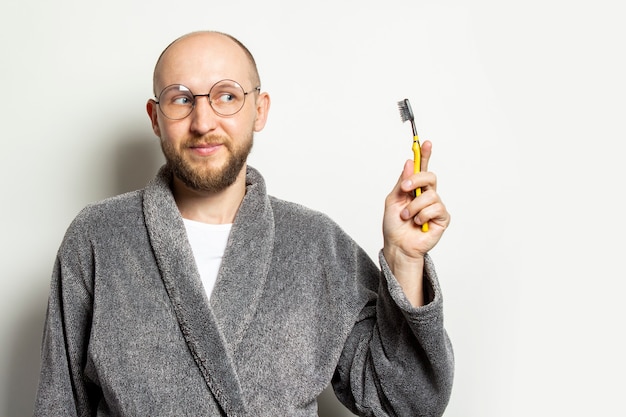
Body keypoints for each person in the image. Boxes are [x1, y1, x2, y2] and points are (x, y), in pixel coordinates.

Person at [34, 31, 454, 417]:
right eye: (181, 98)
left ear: (259, 109)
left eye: (227, 96)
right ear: (155, 116)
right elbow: (60, 403)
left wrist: (403, 261)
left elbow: (404, 403)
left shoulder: (316, 245)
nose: (202, 122)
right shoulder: (98, 238)